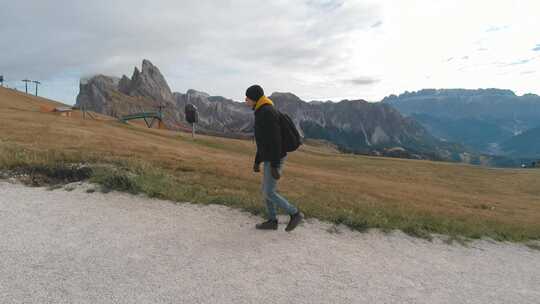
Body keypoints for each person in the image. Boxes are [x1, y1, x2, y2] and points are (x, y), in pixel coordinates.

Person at [245, 84, 304, 232]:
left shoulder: (267, 112)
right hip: (270, 157)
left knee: (269, 192)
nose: (245, 100)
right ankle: (272, 221)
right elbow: (263, 141)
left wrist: (274, 165)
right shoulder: (260, 111)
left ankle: (295, 213)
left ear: (254, 98)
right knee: (266, 190)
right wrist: (257, 161)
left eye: (247, 97)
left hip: (274, 158)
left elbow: (275, 140)